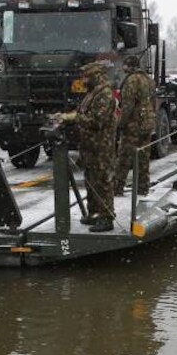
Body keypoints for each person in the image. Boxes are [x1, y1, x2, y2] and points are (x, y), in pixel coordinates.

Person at [65, 61, 118, 232]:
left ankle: (106, 217)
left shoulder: (105, 94)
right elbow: (84, 113)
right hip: (89, 145)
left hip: (101, 145)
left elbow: (97, 121)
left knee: (102, 181)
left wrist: (74, 118)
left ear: (96, 76)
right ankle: (94, 213)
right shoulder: (93, 94)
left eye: (87, 77)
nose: (84, 80)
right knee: (91, 180)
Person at [114, 55, 156, 197]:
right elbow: (153, 102)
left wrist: (121, 124)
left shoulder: (131, 81)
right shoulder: (148, 80)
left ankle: (117, 187)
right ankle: (143, 187)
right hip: (147, 122)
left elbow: (128, 106)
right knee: (143, 157)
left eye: (124, 65)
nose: (122, 68)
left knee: (124, 157)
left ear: (129, 66)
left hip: (133, 124)